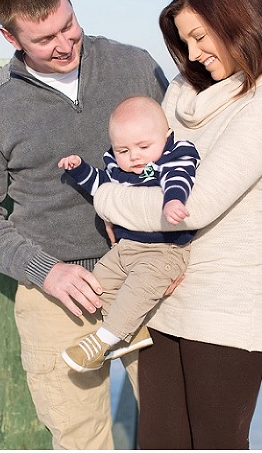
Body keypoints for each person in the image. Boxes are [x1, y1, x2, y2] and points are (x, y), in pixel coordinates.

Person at [0, 0, 168, 449]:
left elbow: (185, 156)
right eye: (45, 39)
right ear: (11, 39)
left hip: (146, 275)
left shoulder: (135, 65)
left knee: (171, 433)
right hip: (57, 296)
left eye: (68, 25)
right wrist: (46, 271)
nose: (65, 44)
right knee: (80, 442)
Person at [92, 0, 262, 449]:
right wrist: (123, 200)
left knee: (215, 442)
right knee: (159, 441)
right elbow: (144, 169)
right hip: (165, 292)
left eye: (200, 37)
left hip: (231, 301)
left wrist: (106, 199)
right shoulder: (182, 93)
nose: (194, 55)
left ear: (236, 21)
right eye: (184, 43)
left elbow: (192, 205)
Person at [57, 95, 200, 372]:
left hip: (164, 250)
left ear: (166, 136)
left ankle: (103, 340)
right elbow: (102, 184)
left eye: (143, 146)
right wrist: (80, 170)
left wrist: (173, 200)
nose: (134, 156)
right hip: (125, 248)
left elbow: (178, 176)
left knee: (138, 289)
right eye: (123, 150)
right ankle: (131, 336)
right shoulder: (121, 166)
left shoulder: (173, 156)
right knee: (100, 282)